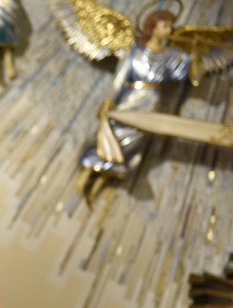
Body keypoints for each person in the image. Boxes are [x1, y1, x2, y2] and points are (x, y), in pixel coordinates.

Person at [80, 9, 190, 180]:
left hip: (151, 102)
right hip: (130, 99)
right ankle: (90, 168)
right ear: (152, 27)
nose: (169, 31)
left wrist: (194, 55)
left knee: (136, 138)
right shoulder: (134, 52)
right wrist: (109, 99)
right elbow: (120, 78)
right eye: (165, 26)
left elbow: (181, 76)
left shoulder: (171, 55)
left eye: (171, 27)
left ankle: (113, 168)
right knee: (112, 130)